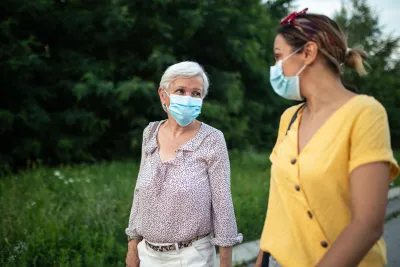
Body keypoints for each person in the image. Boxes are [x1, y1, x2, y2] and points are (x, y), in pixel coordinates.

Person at [255, 8, 399, 267]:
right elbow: (279, 205)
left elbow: (367, 225)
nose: (275, 68)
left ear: (308, 53)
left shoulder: (365, 113)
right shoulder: (289, 118)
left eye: (279, 57)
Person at [125, 61, 242, 267]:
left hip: (192, 257)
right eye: (180, 90)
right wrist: (132, 246)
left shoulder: (212, 139)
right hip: (147, 255)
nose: (188, 98)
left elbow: (222, 204)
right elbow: (139, 193)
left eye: (196, 94)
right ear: (163, 95)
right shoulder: (150, 133)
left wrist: (225, 263)